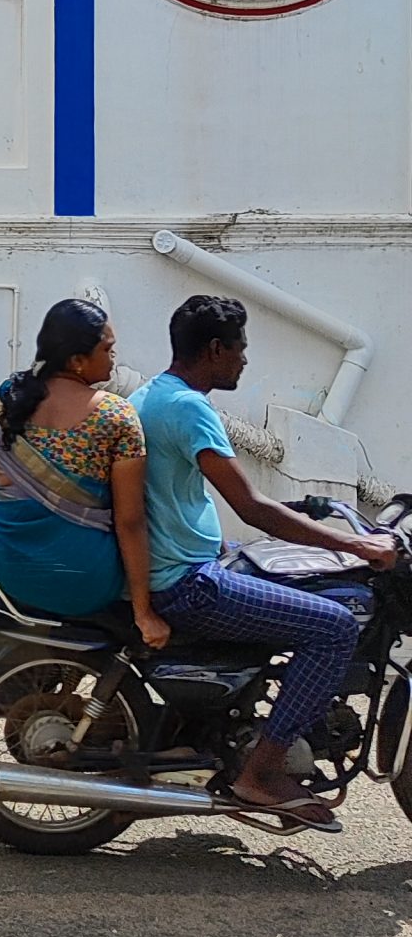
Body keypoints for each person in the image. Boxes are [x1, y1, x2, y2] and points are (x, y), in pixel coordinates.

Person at [133, 296, 399, 826]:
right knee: (334, 628)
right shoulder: (188, 408)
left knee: (303, 584)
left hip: (193, 562)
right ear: (215, 350)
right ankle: (261, 773)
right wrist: (356, 544)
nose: (245, 360)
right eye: (241, 348)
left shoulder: (154, 393)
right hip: (189, 583)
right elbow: (252, 507)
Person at [0, 297, 167, 642]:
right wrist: (144, 612)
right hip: (80, 579)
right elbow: (130, 521)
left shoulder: (2, 399)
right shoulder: (116, 417)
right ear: (77, 361)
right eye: (108, 350)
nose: (114, 358)